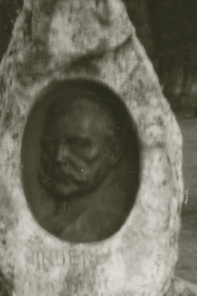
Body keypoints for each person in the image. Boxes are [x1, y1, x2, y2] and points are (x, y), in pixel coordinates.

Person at [35, 92, 132, 242]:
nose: (58, 158)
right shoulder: (48, 222)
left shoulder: (118, 217)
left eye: (77, 145)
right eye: (51, 144)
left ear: (113, 152)